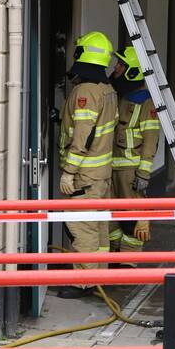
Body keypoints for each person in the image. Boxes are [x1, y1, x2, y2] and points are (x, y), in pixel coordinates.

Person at [58, 30, 119, 298]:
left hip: (84, 175)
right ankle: (98, 277)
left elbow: (84, 135)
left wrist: (68, 172)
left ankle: (83, 282)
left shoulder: (85, 91)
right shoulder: (107, 90)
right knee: (99, 226)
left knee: (82, 226)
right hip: (101, 174)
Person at [109, 46, 160, 255]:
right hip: (111, 170)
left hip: (130, 173)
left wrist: (143, 174)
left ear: (132, 72)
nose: (116, 68)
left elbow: (150, 140)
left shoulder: (145, 102)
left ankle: (129, 261)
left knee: (132, 219)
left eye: (121, 65)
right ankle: (115, 255)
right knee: (111, 218)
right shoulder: (119, 97)